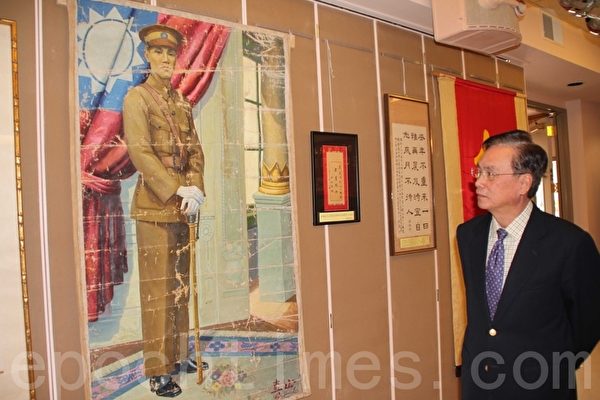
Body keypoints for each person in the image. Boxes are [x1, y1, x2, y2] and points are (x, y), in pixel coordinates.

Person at [456, 129, 600, 399]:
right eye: (479, 172)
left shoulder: (568, 242)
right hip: (479, 381)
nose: (478, 183)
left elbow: (589, 320)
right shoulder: (468, 235)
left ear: (524, 183)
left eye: (490, 173)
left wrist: (554, 366)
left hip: (539, 383)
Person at [123, 24, 205, 397]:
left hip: (184, 207)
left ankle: (181, 354)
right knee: (158, 292)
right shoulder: (137, 98)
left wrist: (195, 189)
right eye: (158, 52)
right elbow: (140, 152)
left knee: (181, 286)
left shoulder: (182, 102)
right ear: (147, 55)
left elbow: (195, 151)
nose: (165, 58)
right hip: (154, 207)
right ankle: (158, 369)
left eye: (170, 53)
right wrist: (175, 188)